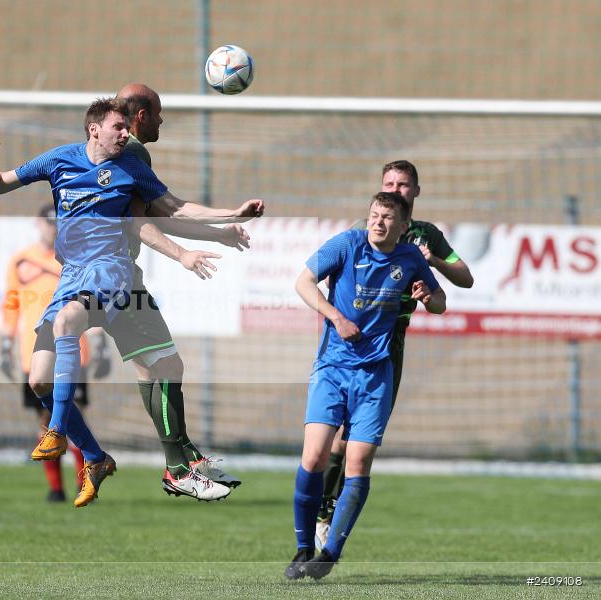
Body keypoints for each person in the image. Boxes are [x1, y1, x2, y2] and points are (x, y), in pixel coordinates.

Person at [0, 97, 263, 508]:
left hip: (112, 269)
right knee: (39, 378)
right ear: (94, 129)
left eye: (129, 126)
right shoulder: (59, 160)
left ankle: (61, 431)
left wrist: (228, 215)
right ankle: (95, 456)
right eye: (118, 127)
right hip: (72, 274)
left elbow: (174, 207)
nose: (126, 134)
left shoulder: (131, 166)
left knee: (76, 323)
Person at [286, 191, 446, 580]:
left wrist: (428, 298)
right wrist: (336, 318)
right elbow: (303, 283)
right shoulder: (346, 244)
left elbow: (441, 302)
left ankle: (329, 556)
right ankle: (303, 547)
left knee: (357, 464)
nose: (378, 222)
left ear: (403, 226)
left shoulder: (409, 259)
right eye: (374, 215)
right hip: (332, 369)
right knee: (314, 458)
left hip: (375, 375)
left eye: (387, 217)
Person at [314, 160, 474, 548]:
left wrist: (430, 261)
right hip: (351, 342)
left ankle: (328, 511)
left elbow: (464, 277)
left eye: (403, 185)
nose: (397, 189)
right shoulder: (365, 231)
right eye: (389, 183)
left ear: (416, 192)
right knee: (334, 435)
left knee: (356, 435)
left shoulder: (426, 235)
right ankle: (322, 511)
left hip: (391, 342)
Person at [115, 83, 248, 500]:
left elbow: (155, 214)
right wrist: (185, 254)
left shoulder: (105, 151)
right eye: (157, 113)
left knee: (149, 370)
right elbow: (154, 216)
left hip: (97, 277)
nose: (161, 120)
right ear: (140, 115)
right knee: (170, 368)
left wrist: (220, 234)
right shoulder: (134, 153)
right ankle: (177, 466)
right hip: (118, 279)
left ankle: (185, 457)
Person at [0, 203, 110, 503]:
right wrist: (6, 342)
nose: (52, 228)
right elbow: (11, 304)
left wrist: (99, 343)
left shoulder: (76, 260)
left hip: (75, 352)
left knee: (73, 418)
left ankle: (84, 480)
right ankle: (55, 489)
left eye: (57, 223)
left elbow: (91, 303)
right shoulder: (21, 261)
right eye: (49, 223)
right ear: (39, 223)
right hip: (32, 354)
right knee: (45, 423)